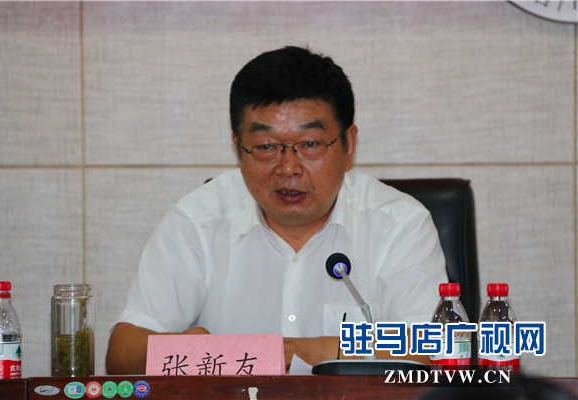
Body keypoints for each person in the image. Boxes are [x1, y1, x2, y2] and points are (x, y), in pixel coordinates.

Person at [106, 46, 448, 375]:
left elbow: (434, 344)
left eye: (310, 144)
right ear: (238, 146)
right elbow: (121, 354)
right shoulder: (197, 221)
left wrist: (315, 351)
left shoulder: (399, 224)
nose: (288, 168)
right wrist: (185, 351)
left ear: (349, 145)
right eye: (266, 146)